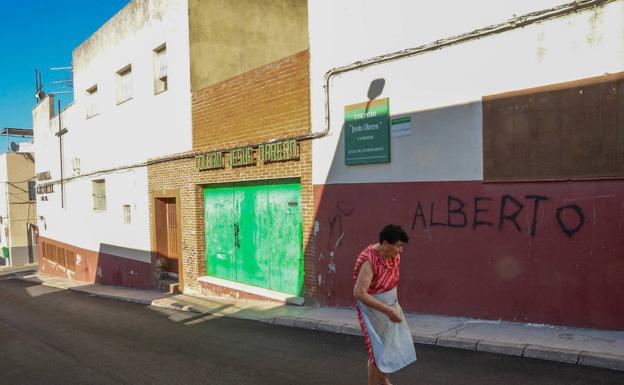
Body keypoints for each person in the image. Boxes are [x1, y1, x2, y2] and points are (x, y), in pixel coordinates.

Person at [353, 224, 416, 385]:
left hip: (390, 306)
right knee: (378, 352)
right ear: (386, 243)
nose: (400, 250)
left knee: (381, 353)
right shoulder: (369, 261)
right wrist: (387, 310)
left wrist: (391, 306)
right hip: (373, 310)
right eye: (398, 246)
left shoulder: (394, 256)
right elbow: (359, 293)